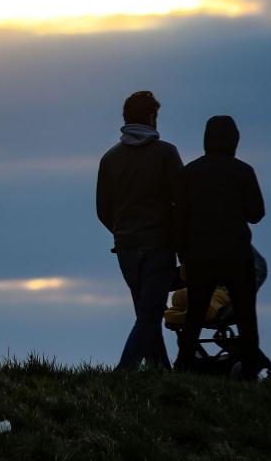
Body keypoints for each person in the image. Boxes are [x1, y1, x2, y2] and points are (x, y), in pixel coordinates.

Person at [96, 90, 185, 371]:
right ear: (151, 117)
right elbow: (183, 201)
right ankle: (125, 370)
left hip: (126, 248)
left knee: (145, 312)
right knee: (151, 313)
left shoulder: (110, 158)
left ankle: (160, 370)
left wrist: (121, 231)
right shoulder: (166, 153)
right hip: (159, 245)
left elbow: (102, 209)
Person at [175, 115, 267, 376]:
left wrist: (183, 258)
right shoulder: (244, 171)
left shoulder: (190, 172)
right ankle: (249, 368)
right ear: (234, 140)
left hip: (200, 254)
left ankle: (184, 365)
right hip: (237, 253)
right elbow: (256, 214)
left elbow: (179, 219)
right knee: (246, 316)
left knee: (195, 315)